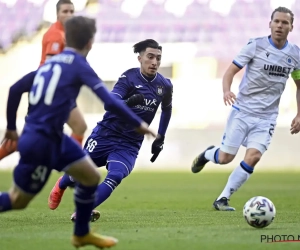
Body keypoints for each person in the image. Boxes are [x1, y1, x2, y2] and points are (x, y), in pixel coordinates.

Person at [0, 16, 156, 248]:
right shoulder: (79, 65)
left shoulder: (51, 63)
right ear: (90, 42)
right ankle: (81, 231)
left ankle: (81, 233)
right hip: (42, 140)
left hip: (50, 136)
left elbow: (15, 89)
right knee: (17, 200)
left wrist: (12, 127)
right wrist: (140, 124)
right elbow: (110, 102)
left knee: (91, 176)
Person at [47, 39, 173, 222]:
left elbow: (167, 109)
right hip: (106, 134)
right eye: (150, 57)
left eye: (158, 58)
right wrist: (129, 102)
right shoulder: (128, 78)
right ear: (140, 58)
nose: (154, 62)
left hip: (129, 144)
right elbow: (108, 103)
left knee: (115, 175)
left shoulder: (165, 85)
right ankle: (62, 183)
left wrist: (160, 137)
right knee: (80, 173)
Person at [191, 6, 300, 211]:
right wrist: (226, 91)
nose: (279, 25)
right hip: (242, 112)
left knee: (254, 157)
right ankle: (207, 154)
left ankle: (222, 199)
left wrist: (299, 114)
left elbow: (299, 86)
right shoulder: (255, 45)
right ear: (270, 23)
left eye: (284, 22)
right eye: (276, 21)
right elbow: (230, 72)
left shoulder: (295, 55)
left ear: (291, 27)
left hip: (267, 117)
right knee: (225, 158)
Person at [0, 0, 87, 160]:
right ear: (57, 14)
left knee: (79, 126)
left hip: (56, 90)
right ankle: (73, 171)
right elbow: (51, 67)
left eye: (71, 11)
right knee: (38, 138)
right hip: (49, 90)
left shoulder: (67, 33)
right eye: (65, 11)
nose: (68, 15)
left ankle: (73, 173)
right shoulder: (55, 34)